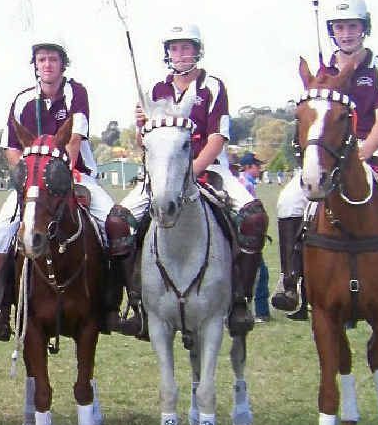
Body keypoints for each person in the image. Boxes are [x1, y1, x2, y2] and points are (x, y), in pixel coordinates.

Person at [104, 23, 268, 337]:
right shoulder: (155, 89)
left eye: (186, 48)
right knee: (117, 223)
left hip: (211, 170)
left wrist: (189, 171)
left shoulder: (213, 86)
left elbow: (218, 137)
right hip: (163, 174)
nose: (181, 54)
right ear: (167, 54)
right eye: (175, 48)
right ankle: (137, 302)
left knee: (254, 217)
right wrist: (140, 126)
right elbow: (147, 142)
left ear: (197, 51)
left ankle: (240, 300)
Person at [0, 34, 116, 340]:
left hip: (75, 174)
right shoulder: (23, 99)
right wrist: (29, 178)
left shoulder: (75, 92)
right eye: (42, 60)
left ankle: (111, 302)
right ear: (35, 66)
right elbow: (11, 148)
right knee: (1, 230)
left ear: (63, 64)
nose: (47, 65)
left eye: (53, 59)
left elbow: (74, 139)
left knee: (114, 222)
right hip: (33, 184)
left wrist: (61, 176)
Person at [271, 0, 378, 317]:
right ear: (331, 32)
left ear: (364, 29)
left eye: (352, 26)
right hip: (328, 157)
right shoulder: (320, 73)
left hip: (373, 153)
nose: (346, 33)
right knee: (288, 203)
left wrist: (362, 155)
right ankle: (291, 281)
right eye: (340, 27)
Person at [238, 152, 270, 323]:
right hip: (248, 238)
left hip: (247, 237)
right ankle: (261, 312)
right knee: (259, 272)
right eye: (257, 166)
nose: (260, 169)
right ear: (249, 166)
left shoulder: (245, 183)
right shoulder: (245, 185)